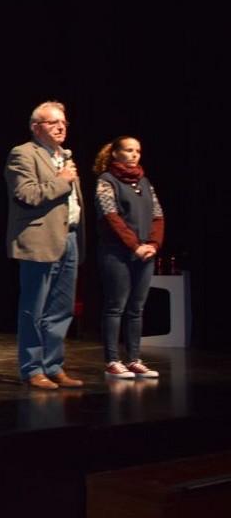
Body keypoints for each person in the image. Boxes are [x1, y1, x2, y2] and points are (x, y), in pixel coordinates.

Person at [5, 101, 85, 390]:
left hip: (70, 238)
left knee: (62, 308)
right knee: (34, 309)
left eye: (63, 122)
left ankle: (54, 365)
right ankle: (32, 368)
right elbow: (26, 194)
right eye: (53, 123)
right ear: (36, 127)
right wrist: (62, 181)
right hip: (39, 240)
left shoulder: (65, 157)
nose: (61, 127)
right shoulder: (22, 154)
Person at [93, 136, 164, 379]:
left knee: (137, 308)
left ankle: (134, 359)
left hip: (144, 253)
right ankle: (113, 360)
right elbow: (111, 217)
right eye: (129, 150)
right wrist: (134, 246)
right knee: (116, 306)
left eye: (138, 151)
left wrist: (153, 244)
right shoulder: (106, 181)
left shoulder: (144, 182)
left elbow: (157, 215)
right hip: (117, 253)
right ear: (115, 154)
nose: (134, 155)